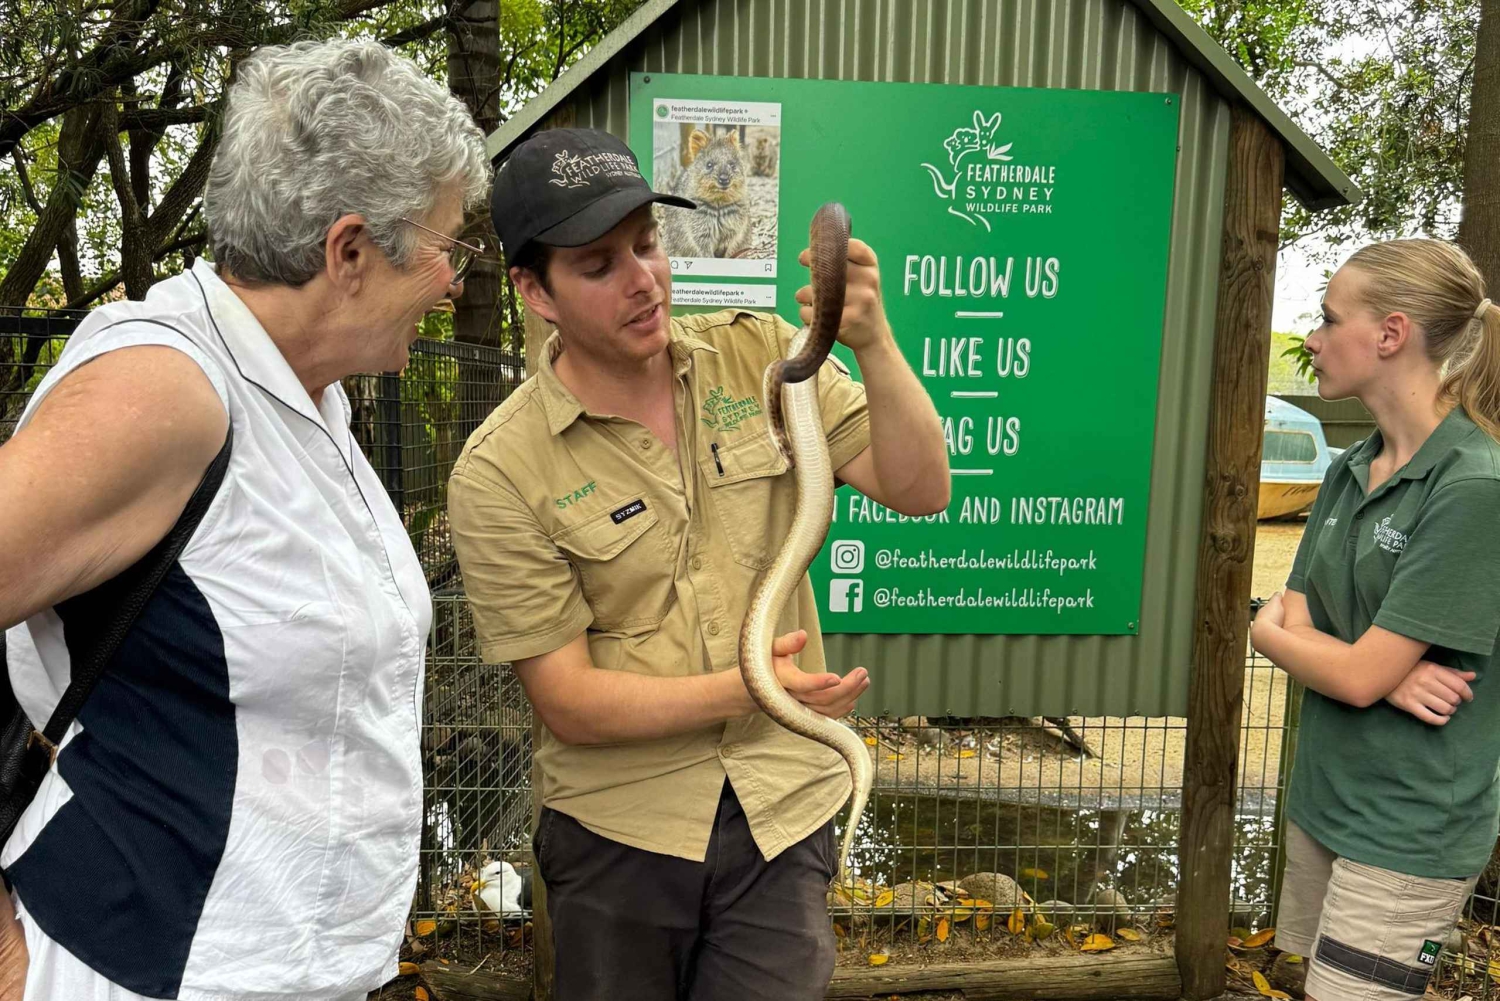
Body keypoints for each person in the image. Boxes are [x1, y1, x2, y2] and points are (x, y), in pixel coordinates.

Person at [0, 39, 489, 1001]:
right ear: (348, 251)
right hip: (142, 970)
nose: (458, 282)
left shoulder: (311, 392)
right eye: (449, 249)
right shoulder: (166, 389)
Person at [447, 127, 949, 1001]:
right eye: (598, 265)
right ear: (535, 291)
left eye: (647, 242)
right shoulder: (499, 471)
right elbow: (568, 702)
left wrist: (871, 341)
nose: (643, 279)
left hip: (781, 812)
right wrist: (758, 688)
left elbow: (920, 487)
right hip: (617, 839)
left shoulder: (762, 356)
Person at [1250, 238, 1500, 1001]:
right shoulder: (1349, 465)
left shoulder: (1472, 485)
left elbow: (1310, 645)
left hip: (1407, 829)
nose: (1312, 340)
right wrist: (1380, 674)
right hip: (1327, 799)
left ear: (1390, 335)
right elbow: (1277, 615)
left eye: (1328, 319)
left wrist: (1356, 671)